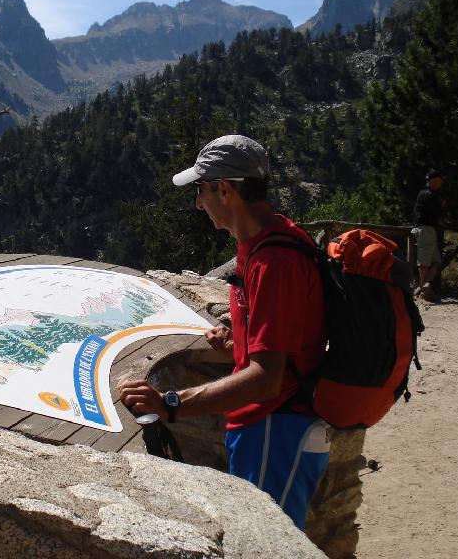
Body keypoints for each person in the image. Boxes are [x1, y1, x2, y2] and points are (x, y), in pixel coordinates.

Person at [118, 134, 329, 531]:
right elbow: (280, 346)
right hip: (266, 431)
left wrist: (170, 404)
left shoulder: (275, 261)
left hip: (277, 431)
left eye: (201, 190)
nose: (198, 203)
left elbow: (267, 380)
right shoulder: (266, 244)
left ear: (225, 190)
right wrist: (239, 345)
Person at [412, 169, 445, 301]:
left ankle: (422, 286)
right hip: (427, 229)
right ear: (434, 181)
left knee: (436, 261)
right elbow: (435, 213)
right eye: (440, 180)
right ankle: (424, 288)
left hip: (422, 229)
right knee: (425, 262)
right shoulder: (430, 195)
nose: (441, 183)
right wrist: (442, 206)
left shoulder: (422, 194)